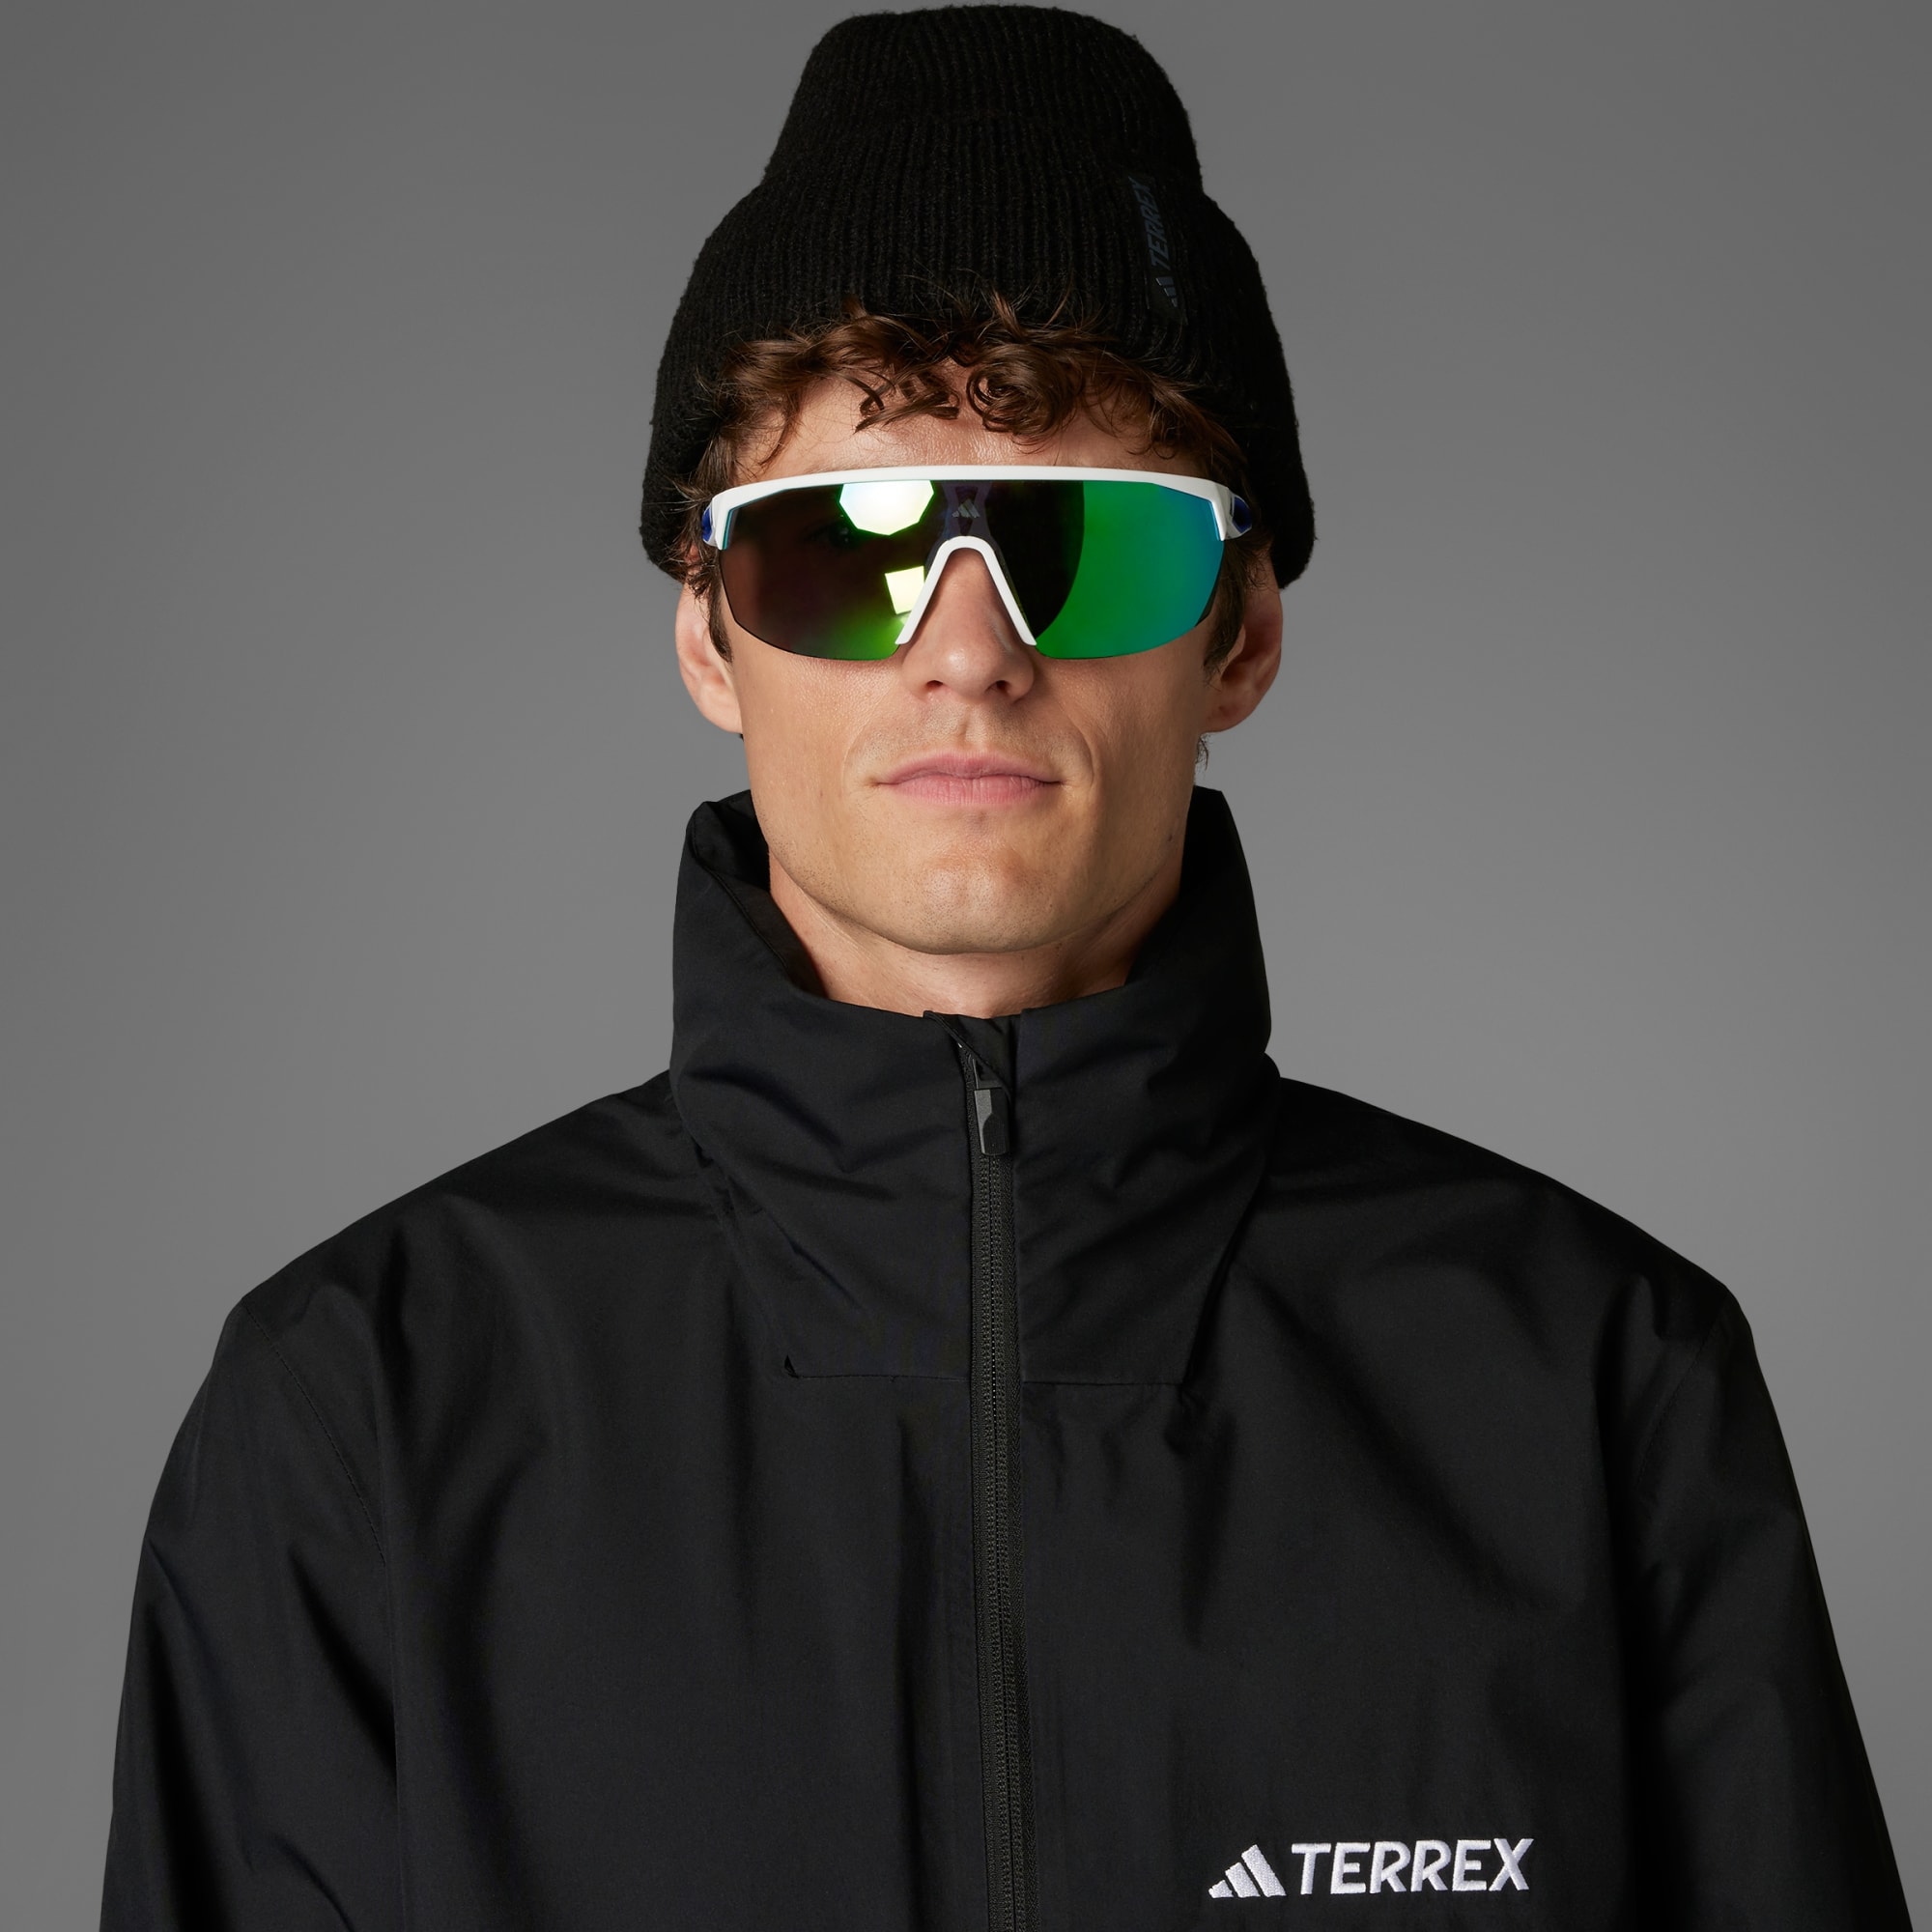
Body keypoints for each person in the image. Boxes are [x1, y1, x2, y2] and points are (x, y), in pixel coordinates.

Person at [99, 9, 1909, 1929]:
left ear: (1239, 634)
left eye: (1091, 545)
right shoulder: (364, 1412)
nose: (968, 651)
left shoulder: (1593, 1388)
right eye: (845, 548)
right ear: (712, 635)